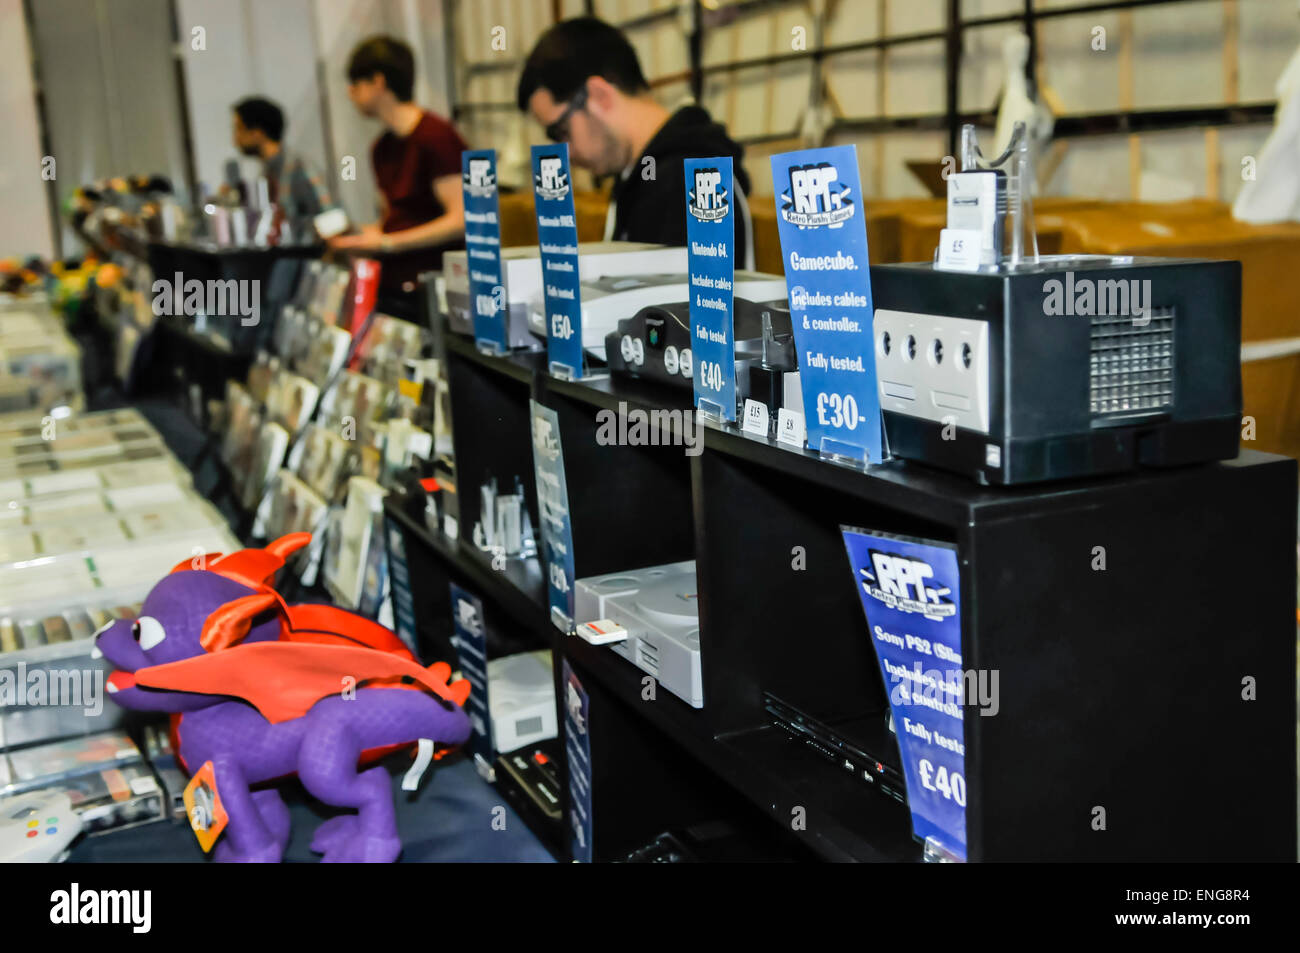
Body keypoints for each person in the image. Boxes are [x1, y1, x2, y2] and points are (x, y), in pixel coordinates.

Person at [517, 16, 754, 268]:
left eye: (560, 131)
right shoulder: (640, 176)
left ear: (599, 96)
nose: (565, 153)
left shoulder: (686, 181)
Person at [330, 35, 467, 307]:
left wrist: (388, 243)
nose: (350, 93)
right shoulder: (381, 147)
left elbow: (462, 219)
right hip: (393, 284)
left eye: (356, 84)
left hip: (433, 290)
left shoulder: (436, 137)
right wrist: (356, 236)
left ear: (378, 83)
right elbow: (395, 218)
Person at [231, 97, 333, 237]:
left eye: (238, 129)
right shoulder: (267, 173)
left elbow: (330, 214)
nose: (235, 139)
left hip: (309, 255)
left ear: (257, 132)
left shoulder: (299, 168)